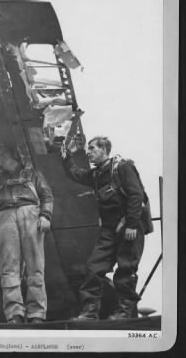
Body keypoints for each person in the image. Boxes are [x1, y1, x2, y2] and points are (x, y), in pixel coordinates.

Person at [61, 136, 145, 320]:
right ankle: (89, 313)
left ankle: (124, 312)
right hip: (109, 229)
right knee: (93, 268)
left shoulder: (122, 167)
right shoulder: (97, 174)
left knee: (125, 269)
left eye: (92, 148)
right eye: (88, 149)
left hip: (128, 226)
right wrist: (67, 157)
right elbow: (76, 173)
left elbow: (136, 195)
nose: (88, 152)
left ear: (104, 150)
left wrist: (131, 224)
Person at [0, 145, 53, 324]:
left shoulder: (33, 174)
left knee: (35, 264)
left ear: (14, 156)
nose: (0, 159)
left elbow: (46, 195)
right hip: (6, 215)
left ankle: (36, 314)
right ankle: (14, 313)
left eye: (3, 155)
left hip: (29, 211)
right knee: (9, 266)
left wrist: (45, 215)